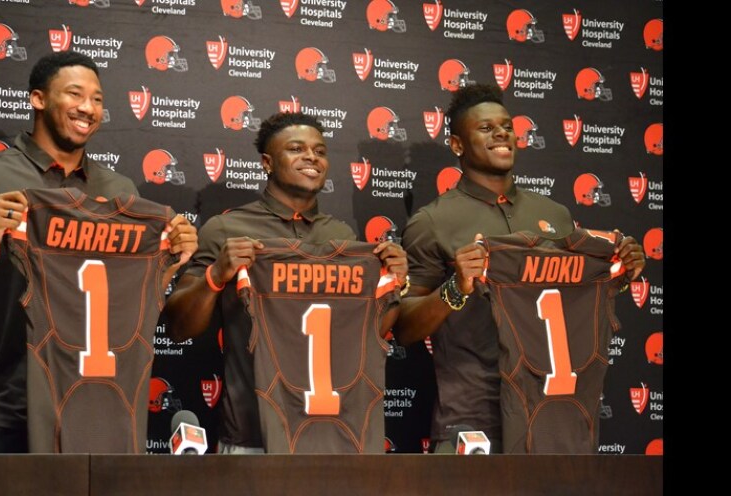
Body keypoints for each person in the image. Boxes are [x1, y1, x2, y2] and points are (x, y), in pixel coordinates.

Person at [0, 52, 198, 453]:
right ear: (37, 99)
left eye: (98, 99)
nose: (88, 108)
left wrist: (174, 253)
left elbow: (129, 302)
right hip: (1, 410)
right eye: (75, 94)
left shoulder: (121, 192)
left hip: (96, 409)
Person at [395, 83, 645, 453]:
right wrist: (455, 288)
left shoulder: (555, 216)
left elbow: (570, 299)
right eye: (485, 128)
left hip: (551, 413)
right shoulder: (432, 221)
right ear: (457, 145)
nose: (501, 133)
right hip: (475, 416)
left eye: (507, 126)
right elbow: (402, 328)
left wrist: (619, 274)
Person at [165, 112, 408, 453]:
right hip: (253, 437)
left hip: (332, 431)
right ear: (266, 162)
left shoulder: (341, 236)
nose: (312, 157)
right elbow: (178, 327)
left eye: (320, 151)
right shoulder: (226, 230)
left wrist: (394, 284)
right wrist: (215, 276)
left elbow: (368, 333)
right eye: (296, 148)